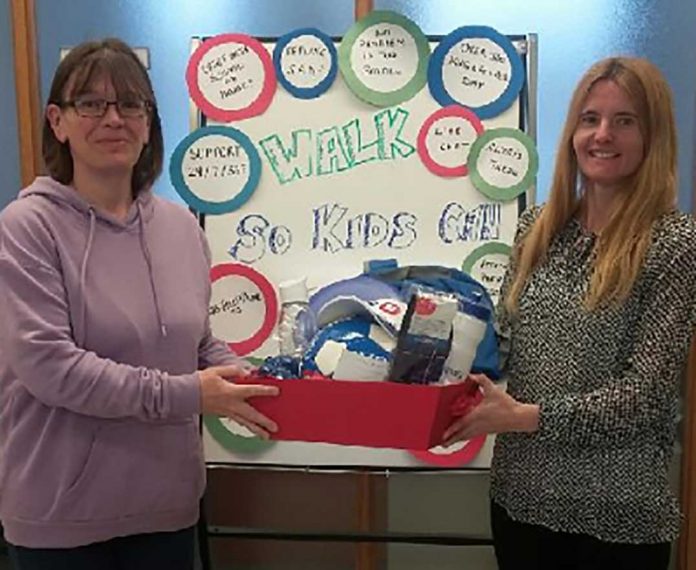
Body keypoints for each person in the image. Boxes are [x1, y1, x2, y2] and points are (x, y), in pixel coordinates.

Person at [0, 38, 279, 570]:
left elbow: (197, 342)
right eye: (91, 104)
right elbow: (50, 368)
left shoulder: (180, 228)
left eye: (130, 104)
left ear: (149, 124)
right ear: (57, 121)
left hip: (167, 508)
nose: (114, 119)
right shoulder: (27, 227)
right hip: (61, 517)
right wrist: (189, 394)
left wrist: (249, 383)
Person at [443, 56, 696, 569]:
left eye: (625, 121)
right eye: (590, 119)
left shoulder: (674, 243)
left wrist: (527, 417)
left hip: (618, 515)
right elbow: (504, 345)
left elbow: (646, 396)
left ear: (653, 137)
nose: (603, 135)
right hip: (521, 501)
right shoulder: (537, 230)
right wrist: (426, 349)